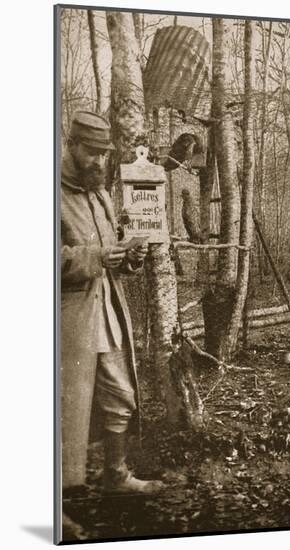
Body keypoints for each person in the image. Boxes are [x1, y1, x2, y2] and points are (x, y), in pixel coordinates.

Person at [60, 111, 164, 498]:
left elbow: (110, 249)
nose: (100, 162)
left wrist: (128, 257)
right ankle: (58, 500)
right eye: (92, 153)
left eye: (104, 154)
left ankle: (116, 475)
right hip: (68, 320)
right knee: (65, 407)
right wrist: (96, 257)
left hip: (108, 310)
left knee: (120, 392)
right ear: (71, 146)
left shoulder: (100, 192)